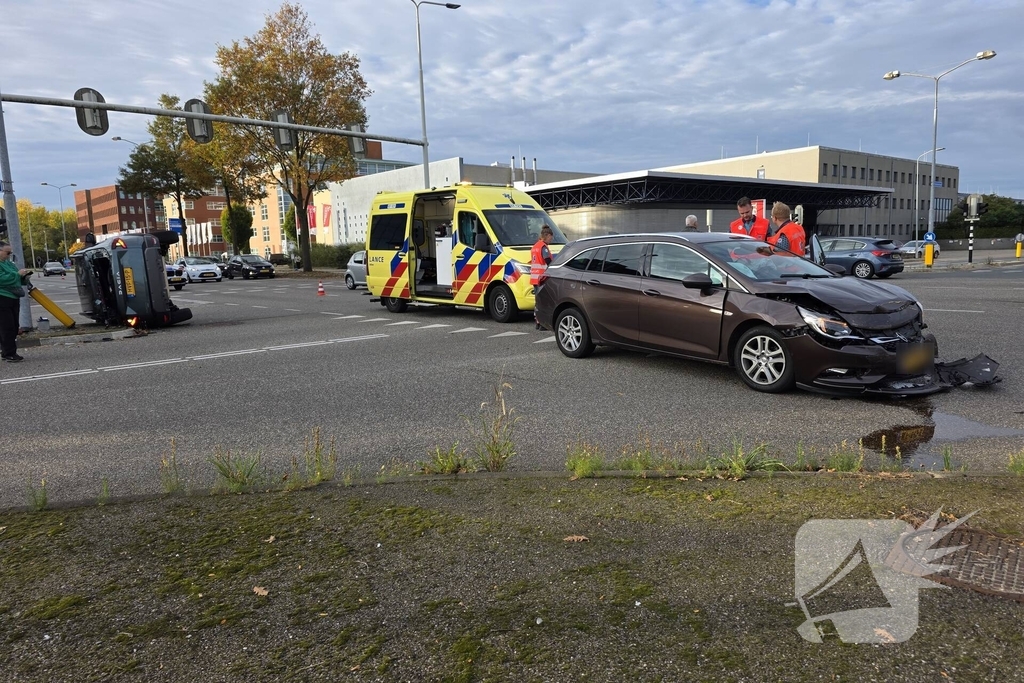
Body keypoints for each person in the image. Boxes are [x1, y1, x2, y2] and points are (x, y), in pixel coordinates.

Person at [0, 241, 31, 363]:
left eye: (10, 253)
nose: (9, 255)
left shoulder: (9, 264)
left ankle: (6, 351)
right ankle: (9, 353)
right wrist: (17, 275)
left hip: (13, 297)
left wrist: (24, 277)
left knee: (14, 326)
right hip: (2, 297)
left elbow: (16, 279)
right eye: (7, 252)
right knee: (7, 326)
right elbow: (2, 279)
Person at [531, 225, 554, 330]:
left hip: (534, 278)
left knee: (537, 301)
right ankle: (542, 323)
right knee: (543, 301)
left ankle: (537, 322)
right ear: (547, 235)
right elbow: (547, 261)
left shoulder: (535, 246)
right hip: (542, 278)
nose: (551, 239)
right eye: (551, 237)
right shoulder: (543, 247)